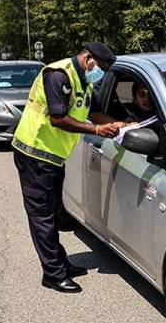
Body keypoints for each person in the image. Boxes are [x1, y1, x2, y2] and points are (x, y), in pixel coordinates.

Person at [12, 42, 123, 293]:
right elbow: (58, 118)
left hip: (53, 158)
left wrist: (122, 125)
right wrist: (96, 131)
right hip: (34, 154)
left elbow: (94, 113)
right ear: (88, 59)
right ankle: (52, 274)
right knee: (43, 217)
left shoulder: (85, 80)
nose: (103, 73)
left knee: (52, 212)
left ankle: (59, 262)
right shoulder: (58, 74)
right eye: (102, 67)